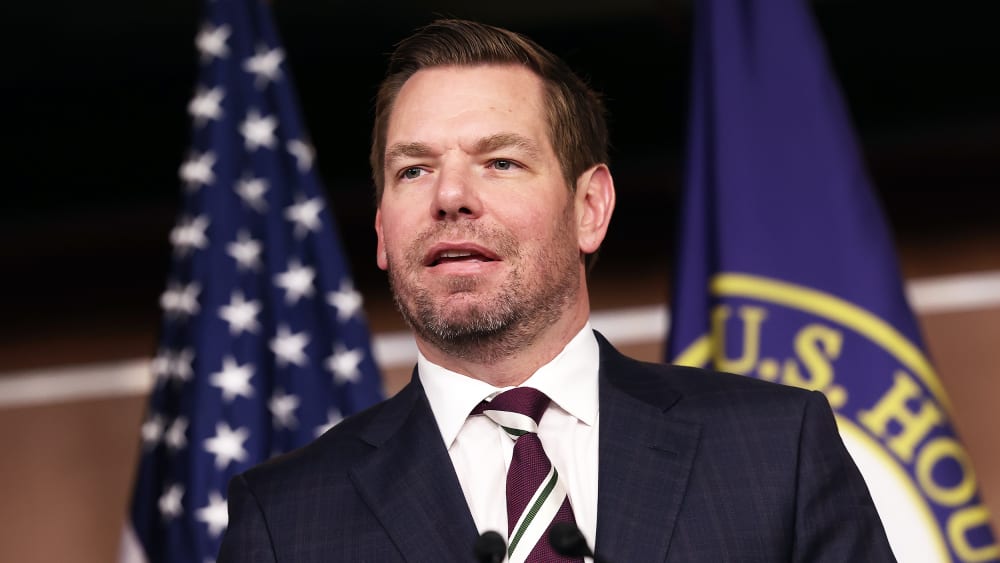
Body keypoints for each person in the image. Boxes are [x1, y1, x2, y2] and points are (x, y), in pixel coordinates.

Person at [218, 18, 895, 562]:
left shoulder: (773, 450)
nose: (450, 196)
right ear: (382, 232)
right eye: (414, 170)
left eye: (500, 161)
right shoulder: (284, 520)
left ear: (589, 208)